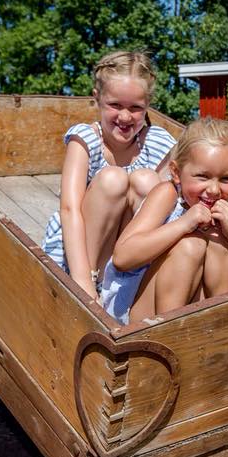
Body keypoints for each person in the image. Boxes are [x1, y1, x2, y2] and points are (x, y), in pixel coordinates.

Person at [41, 51, 176, 300]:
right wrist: (82, 281)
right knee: (112, 179)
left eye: (136, 108)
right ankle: (91, 284)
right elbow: (69, 209)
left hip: (129, 259)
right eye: (115, 105)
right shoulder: (86, 140)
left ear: (147, 105)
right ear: (97, 99)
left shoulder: (158, 143)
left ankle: (125, 287)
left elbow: (170, 209)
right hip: (81, 255)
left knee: (149, 182)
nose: (125, 117)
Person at [108, 117, 228, 324]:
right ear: (176, 173)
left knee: (221, 245)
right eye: (202, 176)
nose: (213, 189)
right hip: (141, 315)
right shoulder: (167, 195)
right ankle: (170, 337)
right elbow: (122, 258)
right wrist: (183, 224)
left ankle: (218, 330)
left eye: (226, 179)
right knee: (190, 246)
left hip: (197, 313)